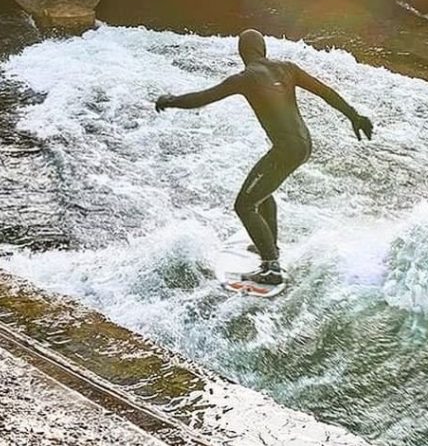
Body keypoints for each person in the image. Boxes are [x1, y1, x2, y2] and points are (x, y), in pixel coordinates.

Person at [155, 29, 374, 286]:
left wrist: (170, 100)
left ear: (241, 52)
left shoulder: (245, 78)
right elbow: (326, 92)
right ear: (264, 49)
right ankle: (270, 248)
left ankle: (271, 269)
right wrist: (354, 116)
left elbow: (201, 98)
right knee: (263, 191)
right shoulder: (287, 68)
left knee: (244, 206)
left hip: (285, 149)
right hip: (304, 144)